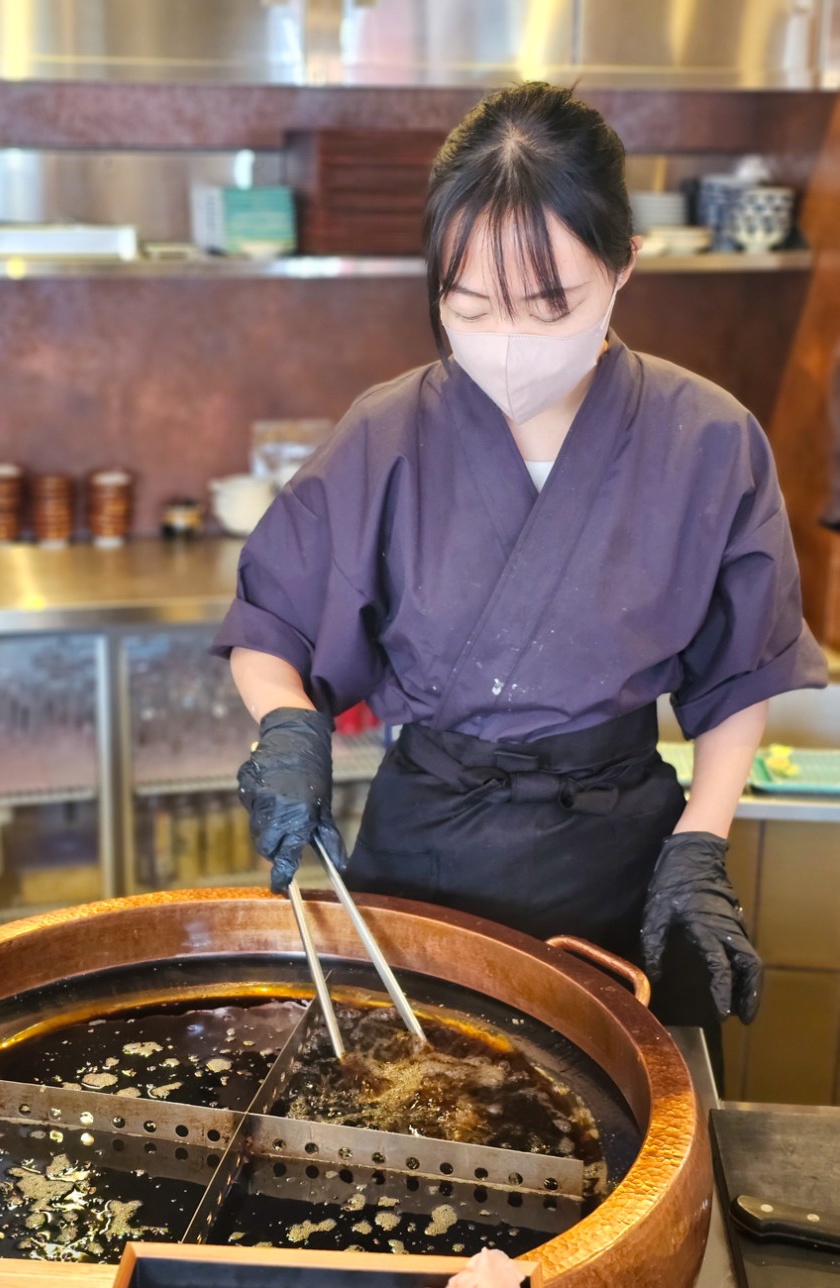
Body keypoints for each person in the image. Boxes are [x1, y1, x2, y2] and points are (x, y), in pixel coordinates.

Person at [212, 82, 827, 1079]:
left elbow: (739, 678)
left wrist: (701, 848)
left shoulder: (710, 440)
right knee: (401, 1117)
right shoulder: (387, 432)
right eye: (471, 305)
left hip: (616, 863)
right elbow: (272, 623)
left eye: (550, 305)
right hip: (423, 861)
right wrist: (288, 729)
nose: (507, 340)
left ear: (625, 268)